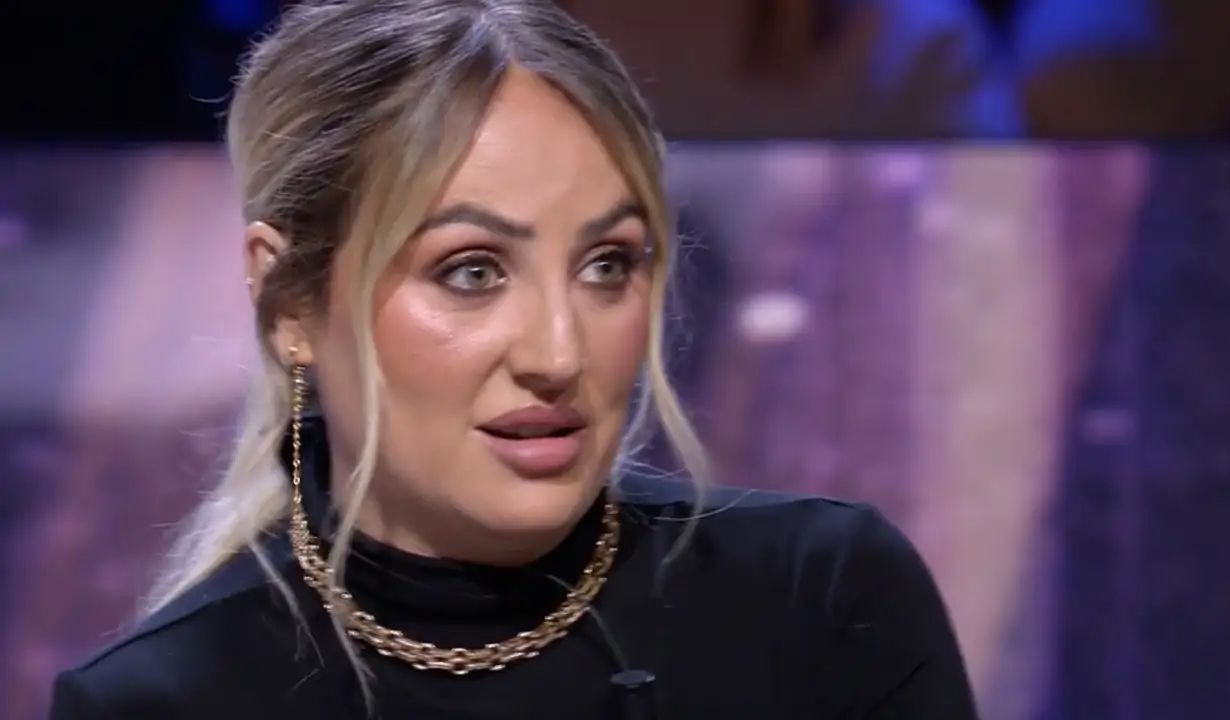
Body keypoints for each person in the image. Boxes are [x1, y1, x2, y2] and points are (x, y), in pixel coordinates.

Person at [47, 1, 977, 717]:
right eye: (471, 271)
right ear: (290, 301)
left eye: (606, 264)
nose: (558, 352)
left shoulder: (822, 598)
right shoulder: (162, 700)